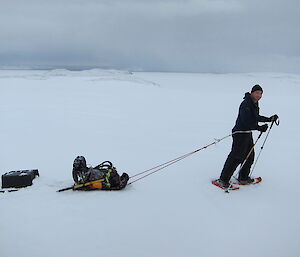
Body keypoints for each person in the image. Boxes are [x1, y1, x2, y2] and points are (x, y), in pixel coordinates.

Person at [215, 84, 278, 188]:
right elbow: (246, 121)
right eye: (257, 93)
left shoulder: (254, 103)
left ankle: (243, 178)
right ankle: (223, 180)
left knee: (249, 156)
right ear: (252, 92)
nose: (259, 95)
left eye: (261, 93)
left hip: (247, 133)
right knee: (236, 156)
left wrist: (269, 119)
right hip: (240, 133)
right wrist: (259, 128)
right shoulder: (246, 104)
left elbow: (255, 117)